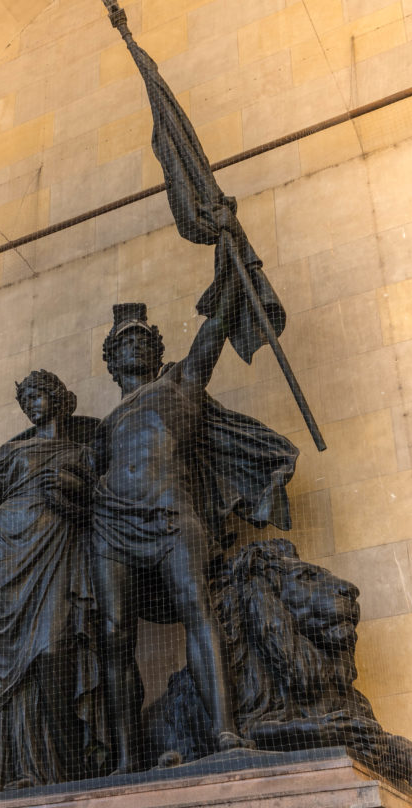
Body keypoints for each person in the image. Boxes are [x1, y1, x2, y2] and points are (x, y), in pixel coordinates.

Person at [92, 299, 299, 772]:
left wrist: (229, 249)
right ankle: (125, 759)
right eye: (126, 340)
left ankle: (225, 729)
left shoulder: (180, 381)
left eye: (144, 338)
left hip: (171, 512)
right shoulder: (104, 427)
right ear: (111, 359)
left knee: (196, 606)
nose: (136, 344)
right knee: (113, 631)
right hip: (111, 523)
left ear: (157, 348)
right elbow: (81, 479)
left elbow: (218, 325)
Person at [0, 370, 105, 790]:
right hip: (4, 561)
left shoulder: (84, 451)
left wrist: (71, 491)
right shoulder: (10, 454)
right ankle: (15, 769)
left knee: (53, 651)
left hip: (55, 555)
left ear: (58, 397)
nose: (32, 403)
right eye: (25, 399)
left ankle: (65, 770)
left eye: (39, 395)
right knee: (5, 668)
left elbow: (100, 506)